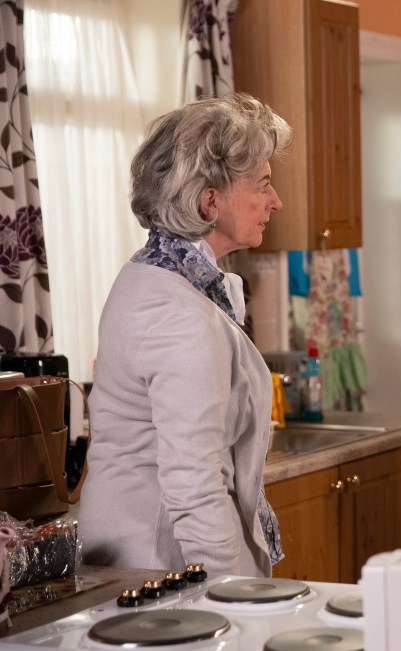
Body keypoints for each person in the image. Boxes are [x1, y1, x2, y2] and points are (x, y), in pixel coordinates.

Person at [79, 93, 292, 577]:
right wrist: (239, 597)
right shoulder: (177, 312)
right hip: (160, 563)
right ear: (209, 199)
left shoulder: (153, 276)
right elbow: (196, 486)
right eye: (262, 185)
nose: (275, 202)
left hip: (140, 553)